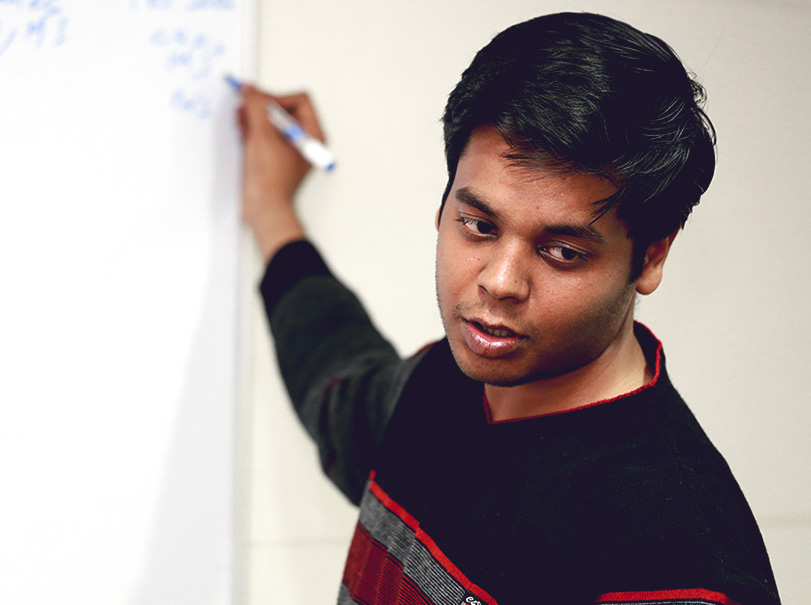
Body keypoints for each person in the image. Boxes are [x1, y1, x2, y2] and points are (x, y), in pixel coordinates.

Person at [237, 12, 780, 605]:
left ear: (650, 256)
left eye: (563, 251)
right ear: (443, 207)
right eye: (478, 225)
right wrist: (270, 208)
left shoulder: (674, 564)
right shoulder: (437, 386)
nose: (499, 282)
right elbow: (333, 377)